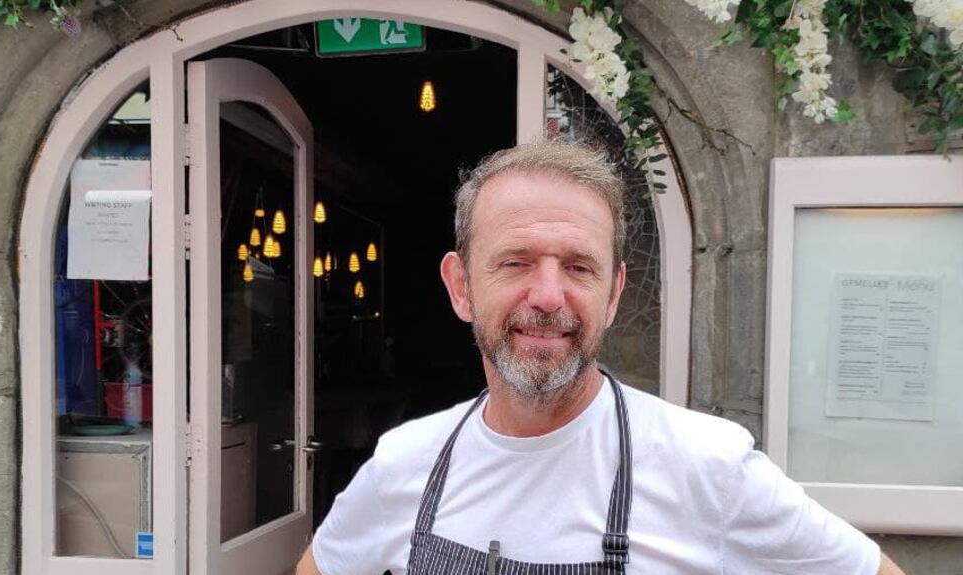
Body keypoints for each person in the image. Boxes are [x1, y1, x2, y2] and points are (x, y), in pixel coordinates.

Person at [297, 140, 906, 575]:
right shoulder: (406, 461)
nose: (547, 296)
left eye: (579, 267)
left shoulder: (707, 467)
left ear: (613, 295)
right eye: (515, 262)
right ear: (461, 286)